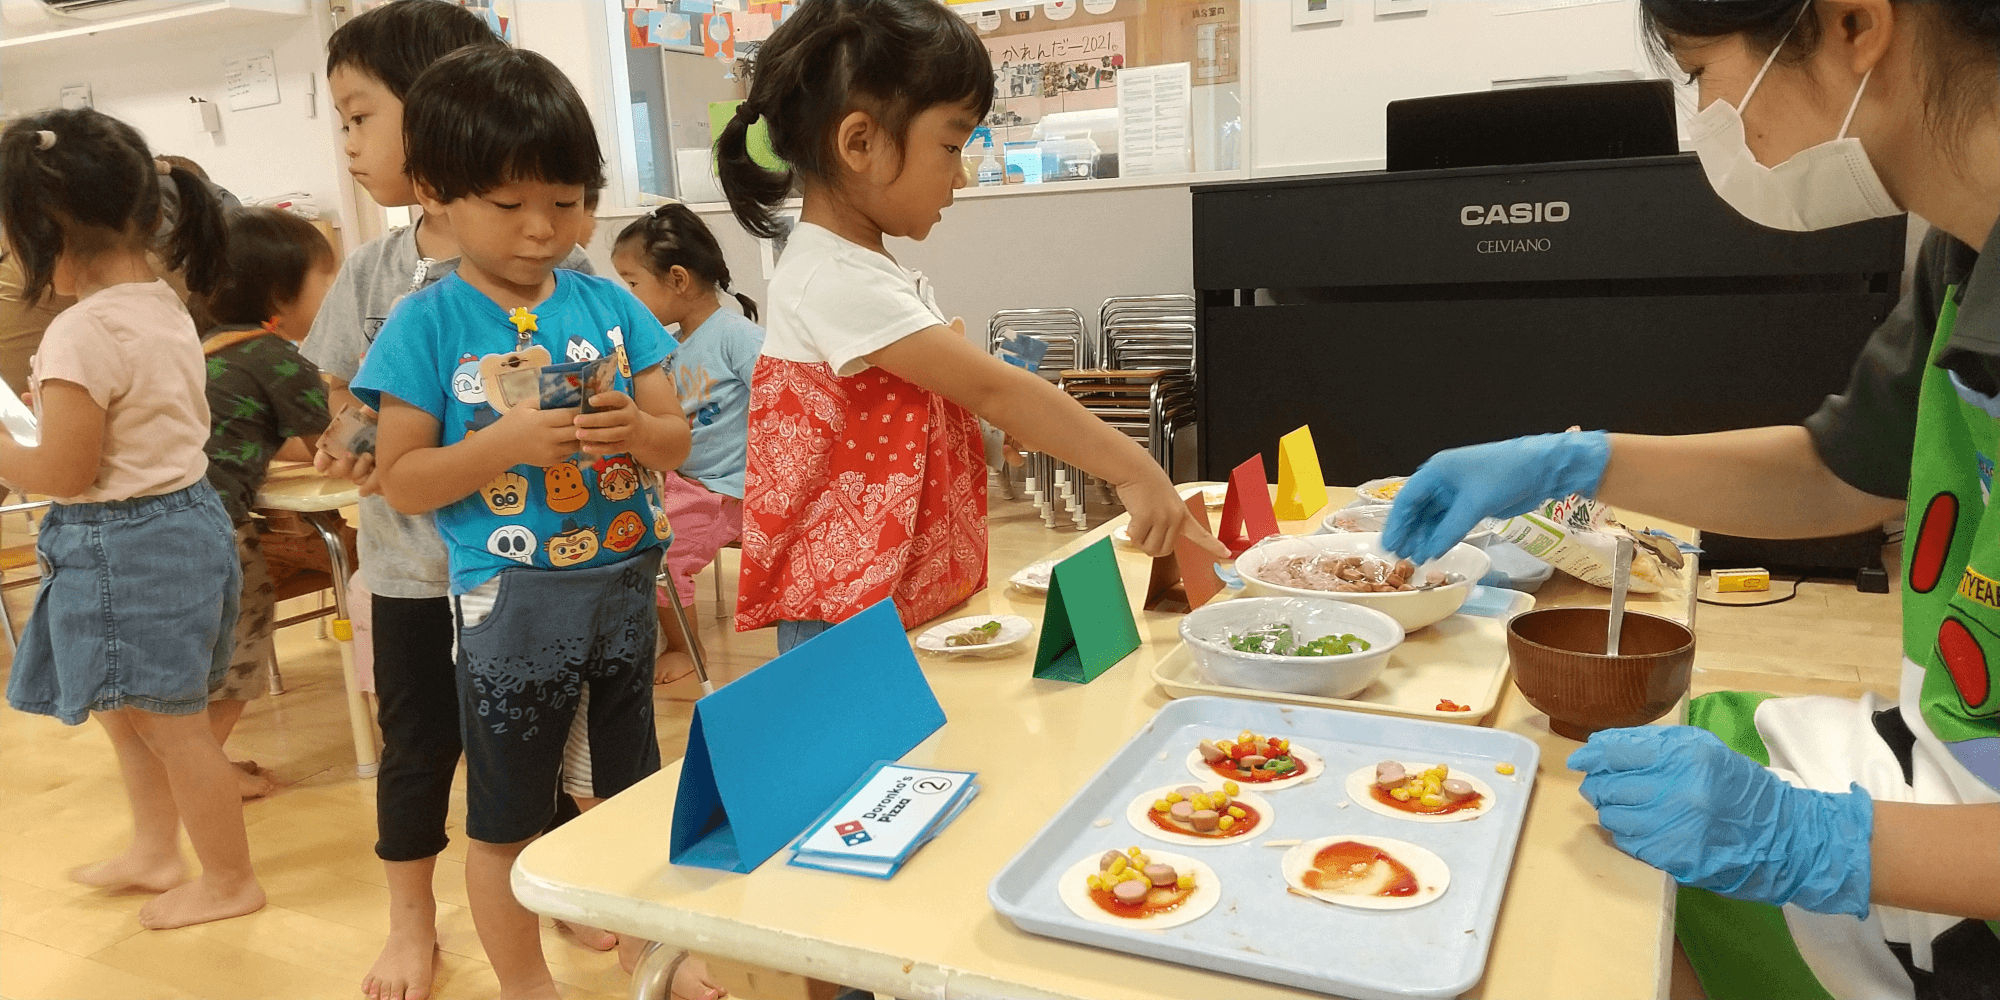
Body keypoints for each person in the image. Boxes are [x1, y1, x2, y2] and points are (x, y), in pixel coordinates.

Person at [1380, 1, 2000, 995]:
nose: (1707, 117)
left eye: (1703, 72)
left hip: (1966, 877)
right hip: (1943, 758)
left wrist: (1814, 842)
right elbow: (1838, 472)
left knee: (1576, 908)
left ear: (1854, 23)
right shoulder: (1963, 258)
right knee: (1597, 782)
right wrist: (1573, 462)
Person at [352, 46, 716, 1000]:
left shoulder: (609, 304)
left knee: (631, 794)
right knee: (508, 815)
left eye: (568, 201)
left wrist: (638, 429)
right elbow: (403, 480)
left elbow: (675, 439)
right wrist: (504, 443)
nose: (544, 228)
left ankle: (647, 953)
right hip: (510, 602)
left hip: (622, 588)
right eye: (509, 204)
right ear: (434, 193)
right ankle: (526, 986)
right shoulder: (427, 322)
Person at [717, 0, 1225, 651]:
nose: (962, 174)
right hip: (848, 615)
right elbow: (996, 389)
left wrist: (976, 438)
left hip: (894, 593)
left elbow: (897, 413)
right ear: (860, 143)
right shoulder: (833, 277)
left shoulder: (863, 270)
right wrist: (1136, 469)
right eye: (952, 145)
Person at [301, 4, 611, 997]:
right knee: (419, 747)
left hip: (537, 568)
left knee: (545, 741)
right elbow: (336, 383)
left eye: (361, 116)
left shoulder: (557, 259)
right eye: (343, 122)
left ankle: (556, 884)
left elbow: (599, 376)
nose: (349, 144)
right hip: (413, 567)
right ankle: (410, 922)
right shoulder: (375, 271)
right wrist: (351, 425)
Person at [0, 109, 261, 930]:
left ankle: (229, 879)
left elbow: (63, 472)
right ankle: (155, 849)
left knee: (172, 727)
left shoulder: (81, 332)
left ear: (44, 232)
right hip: (177, 525)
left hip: (126, 544)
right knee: (130, 712)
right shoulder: (159, 303)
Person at [195, 207, 338, 800]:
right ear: (282, 293)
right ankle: (199, 772)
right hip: (215, 529)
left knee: (198, 660)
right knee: (240, 652)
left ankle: (190, 765)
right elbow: (335, 445)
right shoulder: (278, 357)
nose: (334, 292)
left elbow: (262, 437)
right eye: (327, 278)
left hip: (164, 523)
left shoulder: (211, 347)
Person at [611, 203, 764, 684]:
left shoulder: (736, 335)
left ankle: (685, 646)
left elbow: (781, 400)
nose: (629, 297)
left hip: (722, 489)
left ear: (677, 279)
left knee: (665, 554)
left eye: (632, 284)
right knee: (622, 530)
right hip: (678, 481)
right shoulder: (669, 345)